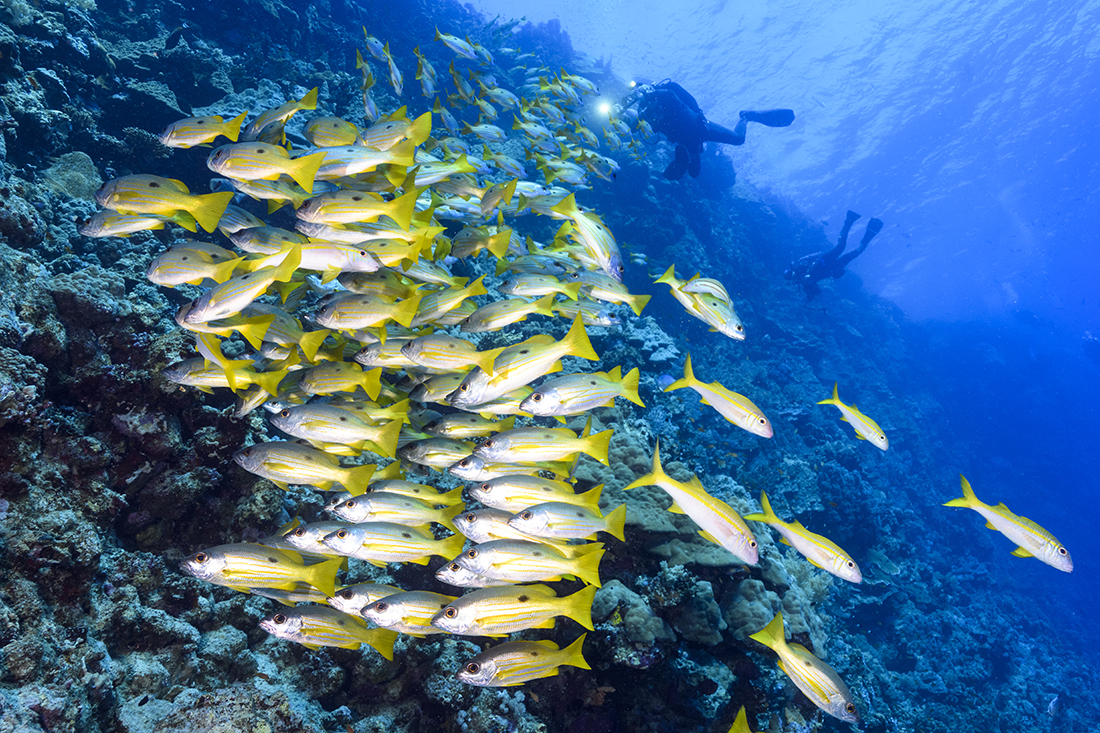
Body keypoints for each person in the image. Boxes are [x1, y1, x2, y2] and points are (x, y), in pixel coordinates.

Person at [619, 79, 794, 180]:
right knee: (694, 173)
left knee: (739, 139)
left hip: (700, 127)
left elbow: (677, 96)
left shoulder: (662, 95)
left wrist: (699, 113)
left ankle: (746, 116)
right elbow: (639, 130)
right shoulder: (646, 119)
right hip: (687, 141)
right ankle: (685, 157)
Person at [784, 211, 883, 300]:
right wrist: (810, 295)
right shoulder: (804, 284)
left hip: (824, 259)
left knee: (840, 246)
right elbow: (817, 291)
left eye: (792, 276)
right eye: (792, 279)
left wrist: (816, 262)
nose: (794, 278)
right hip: (831, 268)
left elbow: (810, 259)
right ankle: (868, 236)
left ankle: (849, 220)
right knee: (855, 253)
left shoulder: (800, 266)